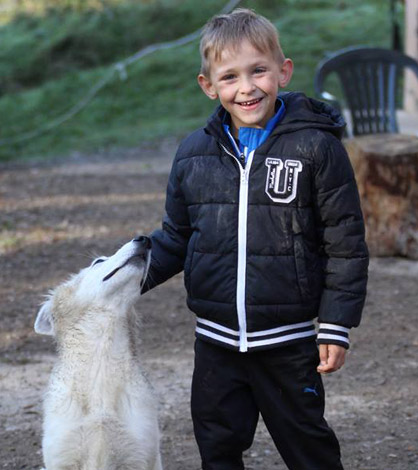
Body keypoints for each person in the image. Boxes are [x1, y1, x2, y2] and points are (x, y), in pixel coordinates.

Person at [143, 8, 369, 470]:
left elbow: (344, 242)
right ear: (209, 86)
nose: (246, 88)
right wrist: (120, 277)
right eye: (230, 77)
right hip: (216, 343)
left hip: (288, 343)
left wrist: (335, 324)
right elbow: (176, 238)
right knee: (218, 448)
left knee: (309, 448)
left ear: (283, 71)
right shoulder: (193, 155)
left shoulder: (316, 148)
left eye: (258, 70)